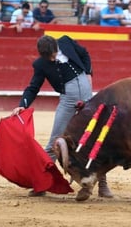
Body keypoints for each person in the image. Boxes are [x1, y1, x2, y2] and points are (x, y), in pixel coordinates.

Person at [11, 35, 113, 198]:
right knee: (54, 141)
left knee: (95, 140)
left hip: (88, 99)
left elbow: (85, 53)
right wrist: (23, 104)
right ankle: (41, 182)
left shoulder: (66, 42)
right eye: (48, 57)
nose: (52, 58)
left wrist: (88, 73)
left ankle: (103, 184)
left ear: (56, 47)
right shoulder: (41, 64)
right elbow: (33, 87)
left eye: (53, 54)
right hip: (67, 101)